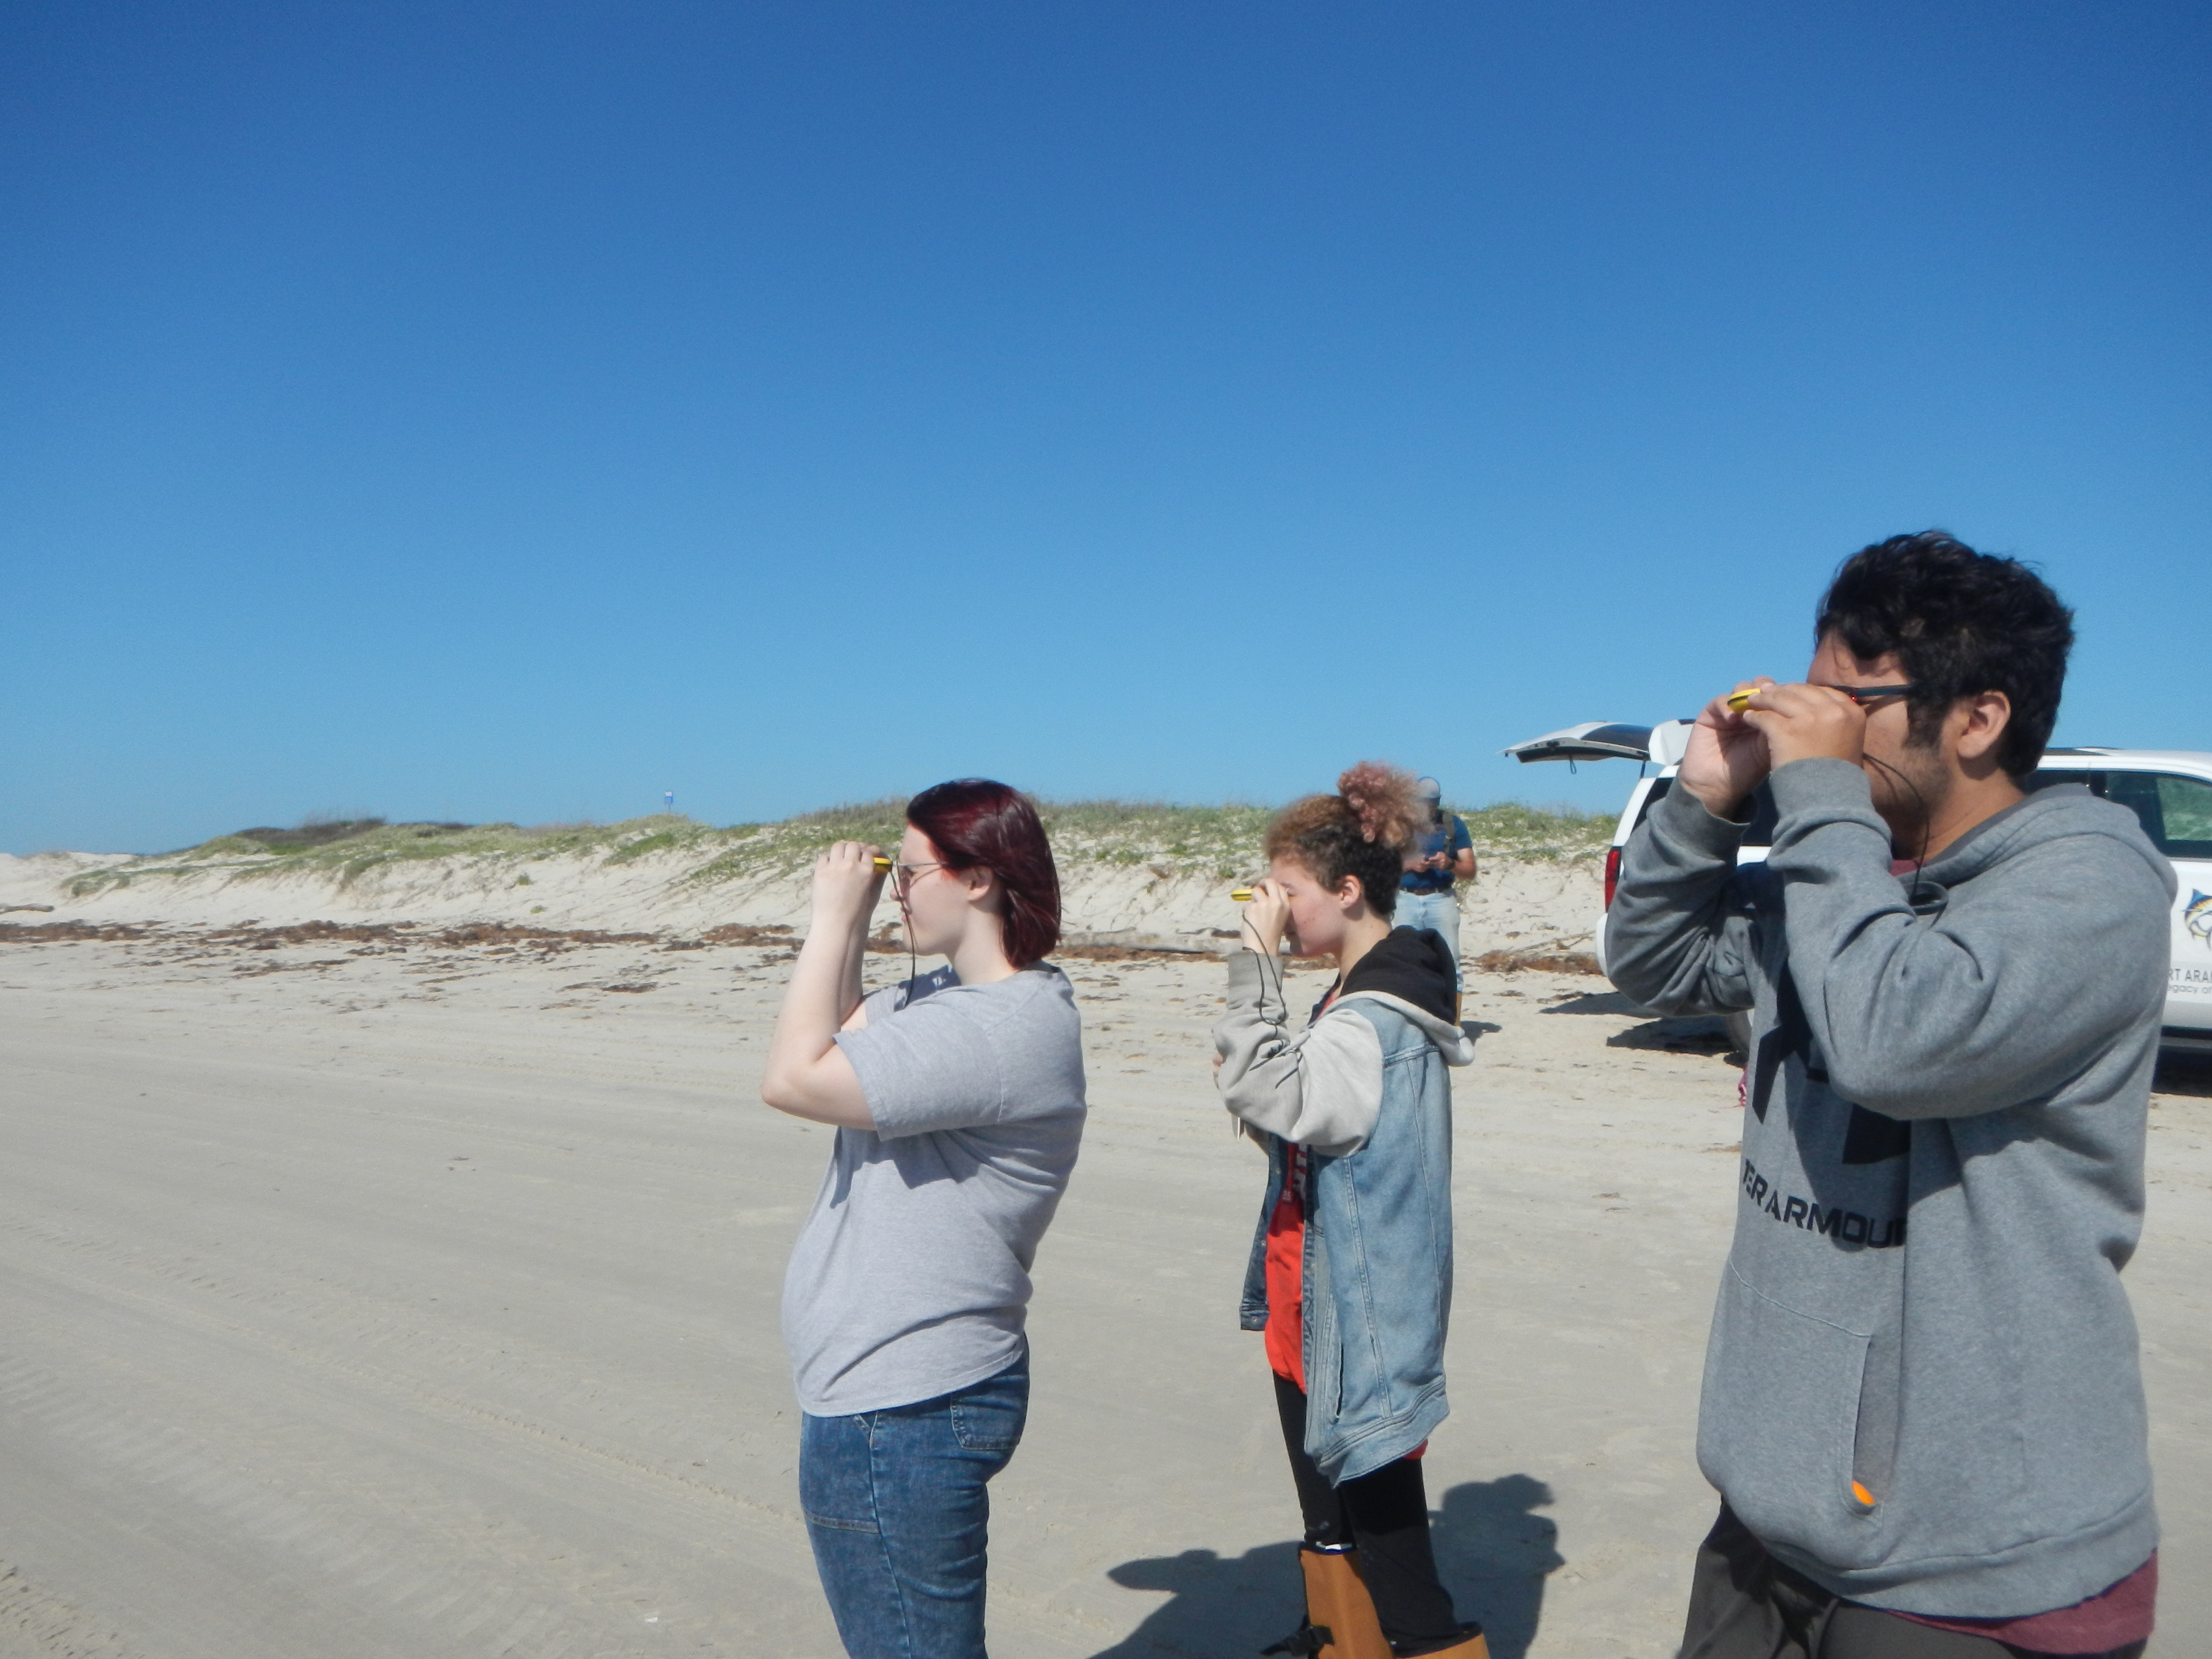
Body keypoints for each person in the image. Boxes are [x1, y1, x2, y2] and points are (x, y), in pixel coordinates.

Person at [1605, 533, 2171, 1659]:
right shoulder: (1847, 879)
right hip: (1774, 1510)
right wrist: (1707, 801)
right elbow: (1656, 965)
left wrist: (1818, 800)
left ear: (1977, 717)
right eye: (1804, 695)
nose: (1809, 725)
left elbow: (1895, 1041)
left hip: (1974, 1557)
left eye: (1847, 700)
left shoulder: (2090, 889)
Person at [761, 779, 1086, 1659]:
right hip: (895, 1393)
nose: (895, 888)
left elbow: (793, 1078)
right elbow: (833, 1025)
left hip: (903, 1404)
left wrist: (830, 918)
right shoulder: (949, 1003)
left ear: (977, 877)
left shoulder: (1004, 1029)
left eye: (908, 874)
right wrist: (859, 917)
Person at [1214, 762, 1490, 1659]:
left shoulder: (1373, 1014)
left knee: (1389, 1538)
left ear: (1344, 889)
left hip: (1358, 1310)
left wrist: (1252, 970)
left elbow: (1289, 1098)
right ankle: (1335, 1635)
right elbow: (1311, 1126)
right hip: (1310, 1294)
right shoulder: (1353, 993)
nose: (1275, 908)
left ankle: (1409, 1643)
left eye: (1287, 891)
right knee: (1330, 1514)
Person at [1397, 778, 1476, 1014]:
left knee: (1450, 965)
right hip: (1404, 900)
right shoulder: (1398, 827)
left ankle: (1453, 1025)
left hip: (1441, 899)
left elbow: (1470, 870)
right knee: (1402, 964)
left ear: (1438, 802)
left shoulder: (1453, 825)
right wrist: (1409, 864)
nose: (1426, 808)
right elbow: (1379, 866)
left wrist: (1449, 863)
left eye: (1430, 803)